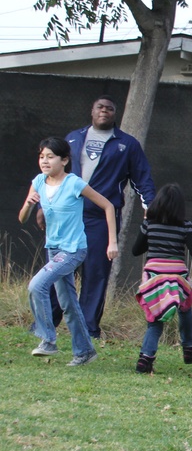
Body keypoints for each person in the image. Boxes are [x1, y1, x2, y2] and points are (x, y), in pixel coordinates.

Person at [58, 95, 156, 339]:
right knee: (57, 267)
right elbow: (54, 174)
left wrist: (150, 205)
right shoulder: (73, 138)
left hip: (102, 217)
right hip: (68, 213)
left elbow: (142, 177)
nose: (105, 111)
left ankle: (87, 328)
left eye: (110, 109)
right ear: (92, 111)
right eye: (100, 107)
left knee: (96, 271)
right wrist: (42, 207)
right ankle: (46, 323)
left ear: (115, 114)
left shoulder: (127, 144)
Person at [19, 137, 119, 366]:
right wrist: (29, 204)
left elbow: (108, 205)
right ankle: (84, 351)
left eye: (50, 157)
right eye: (42, 156)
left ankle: (47, 340)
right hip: (52, 250)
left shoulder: (74, 183)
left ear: (64, 160)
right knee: (69, 304)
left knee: (36, 285)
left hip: (73, 250)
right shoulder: (38, 182)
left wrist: (112, 242)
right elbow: (22, 218)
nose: (44, 161)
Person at [131, 183, 192, 374]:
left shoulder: (148, 224)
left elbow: (136, 250)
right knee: (184, 307)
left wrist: (149, 236)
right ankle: (189, 348)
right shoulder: (185, 226)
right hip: (177, 276)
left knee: (156, 318)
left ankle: (145, 359)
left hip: (153, 275)